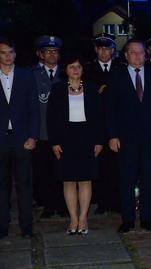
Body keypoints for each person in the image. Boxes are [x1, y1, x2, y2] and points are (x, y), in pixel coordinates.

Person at [106, 39, 151, 233]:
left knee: (149, 178)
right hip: (126, 138)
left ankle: (147, 218)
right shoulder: (117, 76)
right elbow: (110, 109)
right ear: (126, 55)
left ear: (146, 55)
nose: (137, 56)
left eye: (141, 52)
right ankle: (127, 219)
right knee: (126, 179)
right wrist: (112, 135)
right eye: (133, 52)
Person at [47, 55, 103, 235]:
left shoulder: (92, 89)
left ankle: (84, 217)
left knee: (85, 179)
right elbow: (51, 118)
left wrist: (99, 140)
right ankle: (73, 218)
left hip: (87, 137)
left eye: (78, 66)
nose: (75, 70)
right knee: (69, 180)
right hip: (65, 138)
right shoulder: (57, 90)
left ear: (83, 69)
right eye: (72, 66)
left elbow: (99, 116)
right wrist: (54, 142)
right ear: (66, 70)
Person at [0, 38, 39, 239]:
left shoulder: (26, 76)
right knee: (2, 186)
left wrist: (33, 136)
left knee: (25, 185)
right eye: (3, 52)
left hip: (22, 139)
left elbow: (34, 109)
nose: (8, 56)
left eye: (11, 52)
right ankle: (2, 226)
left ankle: (27, 227)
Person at [84, 33, 123, 214]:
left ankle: (116, 200)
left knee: (117, 163)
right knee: (99, 162)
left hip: (117, 121)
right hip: (97, 122)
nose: (104, 52)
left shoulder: (120, 68)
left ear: (113, 51)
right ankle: (101, 201)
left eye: (107, 48)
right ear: (96, 50)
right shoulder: (88, 70)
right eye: (100, 48)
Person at [32, 35, 67, 218]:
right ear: (41, 54)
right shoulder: (33, 75)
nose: (52, 55)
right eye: (48, 51)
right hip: (43, 132)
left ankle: (62, 206)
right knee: (44, 171)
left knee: (62, 170)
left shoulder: (67, 73)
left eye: (55, 51)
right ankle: (48, 205)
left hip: (64, 132)